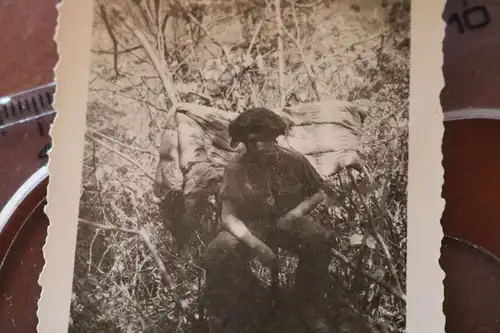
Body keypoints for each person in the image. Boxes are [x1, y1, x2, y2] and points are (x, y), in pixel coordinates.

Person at [202, 107, 333, 332]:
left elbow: (319, 192)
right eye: (253, 142)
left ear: (276, 137)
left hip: (289, 220)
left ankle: (308, 304)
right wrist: (257, 246)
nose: (261, 147)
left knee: (318, 239)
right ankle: (251, 303)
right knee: (218, 251)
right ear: (243, 143)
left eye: (266, 140)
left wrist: (295, 214)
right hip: (252, 226)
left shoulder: (294, 160)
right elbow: (228, 215)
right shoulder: (236, 168)